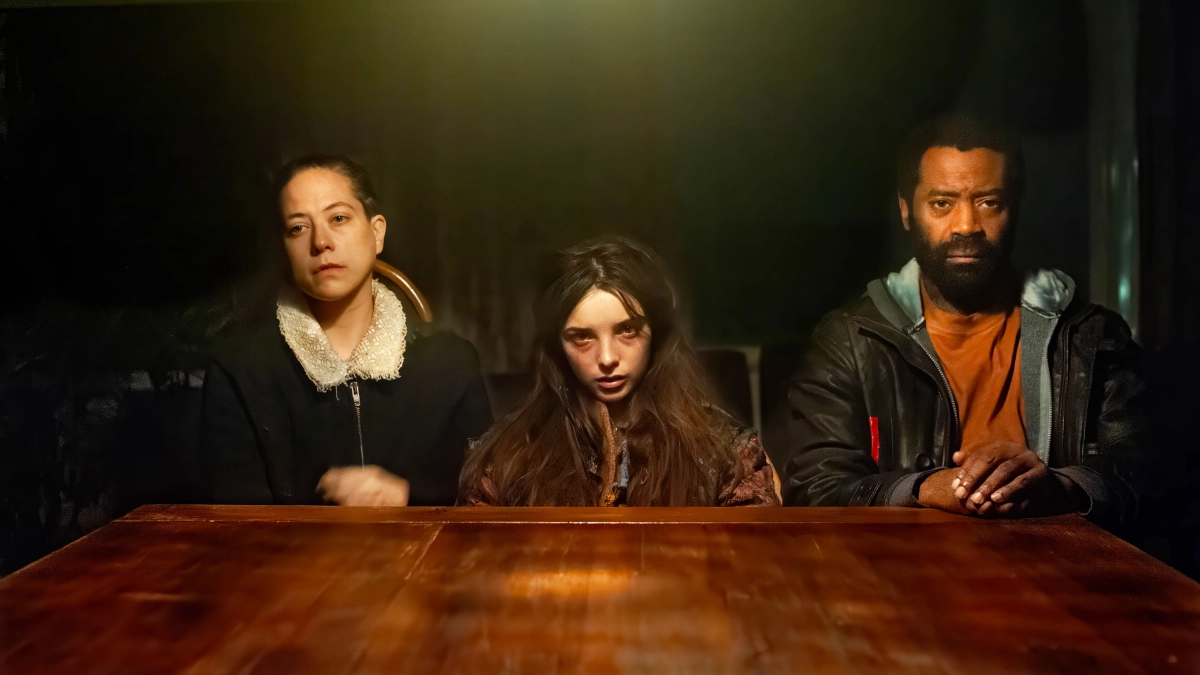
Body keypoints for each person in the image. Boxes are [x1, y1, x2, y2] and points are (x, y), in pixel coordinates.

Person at [782, 115, 1145, 524]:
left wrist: (1062, 487)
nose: (967, 225)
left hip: (1059, 562)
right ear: (906, 211)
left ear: (1015, 209)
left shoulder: (1090, 337)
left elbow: (1144, 476)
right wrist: (922, 489)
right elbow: (814, 487)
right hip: (905, 562)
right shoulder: (849, 341)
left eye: (989, 202)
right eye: (942, 203)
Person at [200, 155, 492, 506]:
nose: (320, 242)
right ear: (284, 249)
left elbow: (482, 499)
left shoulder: (451, 363)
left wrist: (406, 498)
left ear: (376, 232)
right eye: (298, 228)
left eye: (338, 218)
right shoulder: (239, 371)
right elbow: (233, 522)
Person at [459, 237, 780, 507]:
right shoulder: (507, 459)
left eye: (627, 330)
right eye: (582, 337)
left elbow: (753, 556)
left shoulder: (723, 452)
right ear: (557, 345)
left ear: (655, 333)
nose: (607, 358)